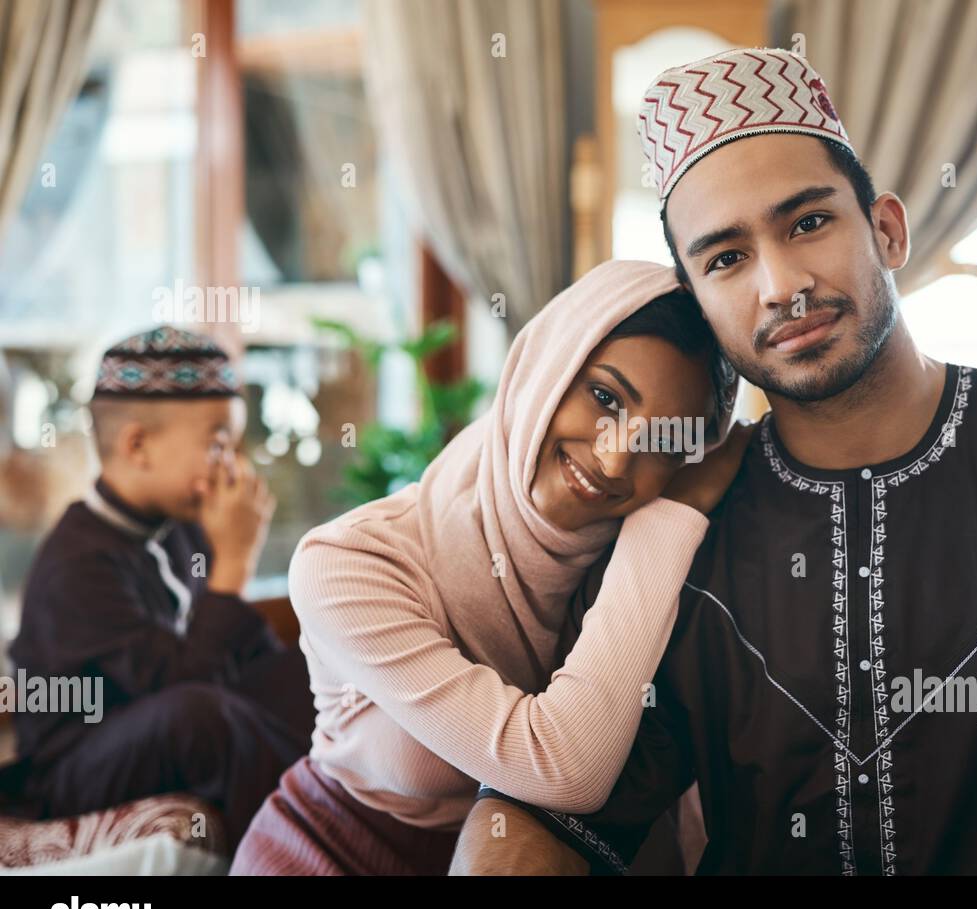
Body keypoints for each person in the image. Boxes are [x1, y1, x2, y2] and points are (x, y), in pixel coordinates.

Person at [452, 47, 977, 876]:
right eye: (726, 259)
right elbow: (546, 808)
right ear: (701, 305)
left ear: (887, 229)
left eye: (809, 223)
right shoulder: (675, 541)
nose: (781, 283)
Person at [230, 259, 748, 875]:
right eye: (605, 397)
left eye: (662, 442)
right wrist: (673, 512)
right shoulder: (348, 564)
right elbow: (568, 771)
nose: (614, 460)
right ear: (546, 368)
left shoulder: (645, 570)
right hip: (329, 856)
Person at [0, 326, 313, 849]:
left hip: (162, 715)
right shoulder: (78, 565)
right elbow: (179, 686)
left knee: (304, 669)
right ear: (137, 445)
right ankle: (317, 840)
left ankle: (368, 808)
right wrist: (235, 561)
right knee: (198, 716)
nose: (231, 465)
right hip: (76, 764)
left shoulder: (182, 530)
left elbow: (237, 657)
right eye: (217, 444)